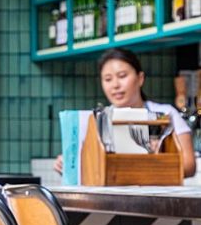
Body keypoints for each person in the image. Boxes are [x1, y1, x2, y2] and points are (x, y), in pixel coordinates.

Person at [53, 47, 195, 178]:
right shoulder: (96, 120)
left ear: (140, 78)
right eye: (108, 79)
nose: (115, 85)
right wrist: (69, 164)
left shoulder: (166, 114)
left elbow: (189, 166)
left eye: (122, 76)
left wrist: (156, 161)